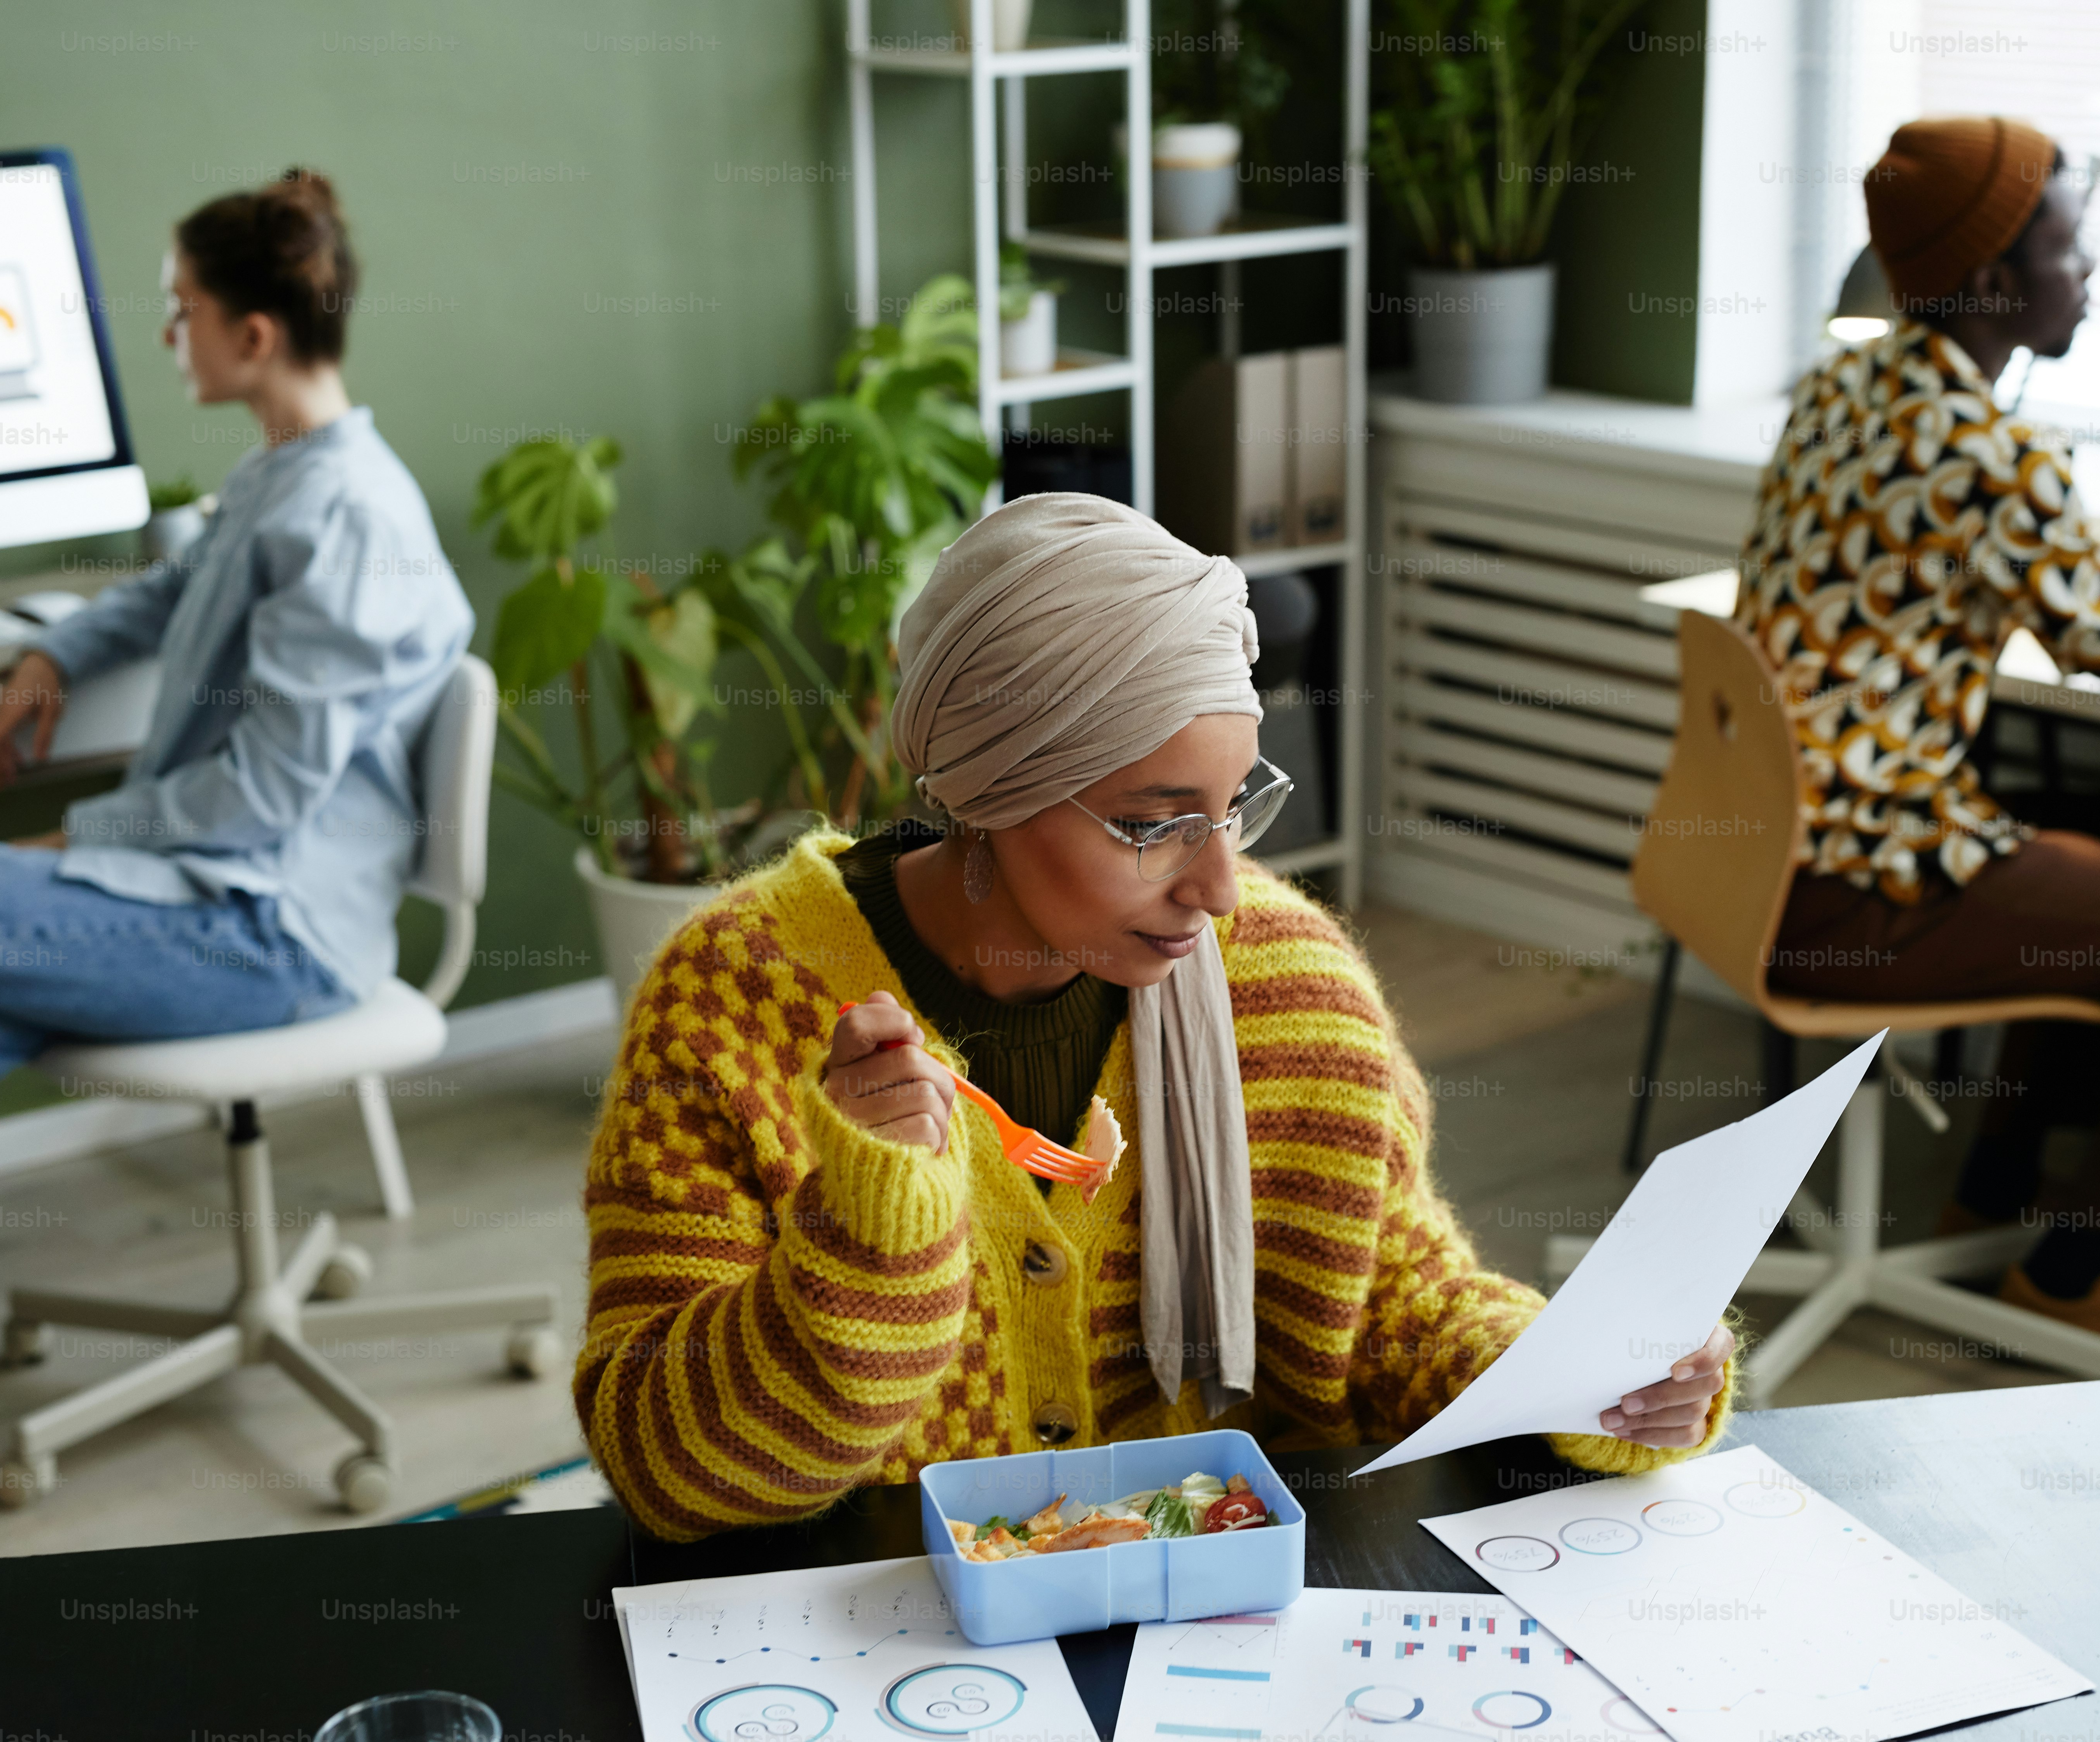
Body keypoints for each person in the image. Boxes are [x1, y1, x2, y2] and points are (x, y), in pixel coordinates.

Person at [573, 492, 1737, 1541]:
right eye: (1154, 823)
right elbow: (664, 1470)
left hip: (1221, 1627)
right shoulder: (732, 1003)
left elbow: (1393, 1303)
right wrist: (868, 1240)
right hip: (892, 1653)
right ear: (987, 794)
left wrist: (1587, 1368)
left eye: (1238, 807)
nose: (1220, 886)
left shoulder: (1286, 981)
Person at [0, 169, 472, 1560]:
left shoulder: (353, 522)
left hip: (260, 930)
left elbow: (255, 806)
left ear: (254, 333)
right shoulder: (286, 473)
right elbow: (166, 588)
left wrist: (79, 835)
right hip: (192, 900)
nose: (167, 336)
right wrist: (53, 652)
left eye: (180, 310)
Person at [1738, 116, 2100, 1362]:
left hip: (1764, 862)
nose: (2093, 272)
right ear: (2001, 281)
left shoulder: (1843, 385)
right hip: (1861, 898)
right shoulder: (1988, 450)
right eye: (2073, 246)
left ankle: (1992, 1197)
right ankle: (2072, 1277)